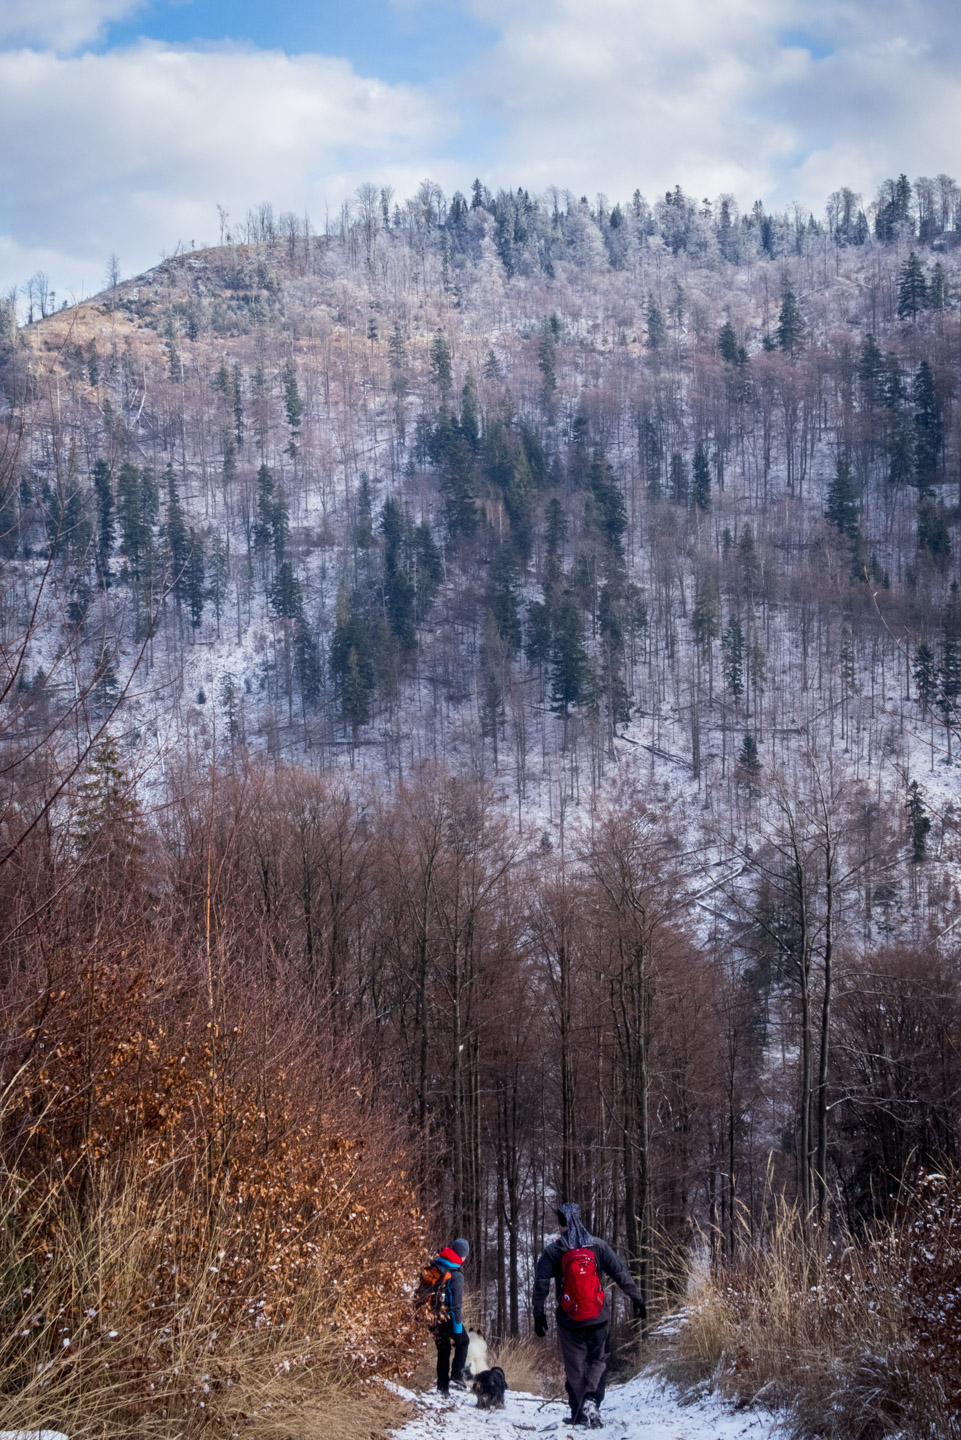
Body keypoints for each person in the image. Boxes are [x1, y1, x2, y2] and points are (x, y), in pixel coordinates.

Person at [532, 1202, 645, 1429]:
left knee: (574, 1366)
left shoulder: (554, 1250)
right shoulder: (599, 1246)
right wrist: (637, 1299)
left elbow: (541, 1284)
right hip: (598, 1317)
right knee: (598, 1360)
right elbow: (620, 1274)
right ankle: (592, 1400)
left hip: (569, 1320)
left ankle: (578, 1413)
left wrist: (538, 1313)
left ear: (561, 1222)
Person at [430, 1237, 470, 1396]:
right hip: (444, 1317)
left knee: (443, 1348)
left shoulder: (436, 1265)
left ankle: (442, 1388)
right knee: (464, 1341)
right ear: (462, 1256)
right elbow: (455, 1307)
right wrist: (458, 1331)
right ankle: (456, 1377)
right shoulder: (456, 1275)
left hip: (429, 1315)